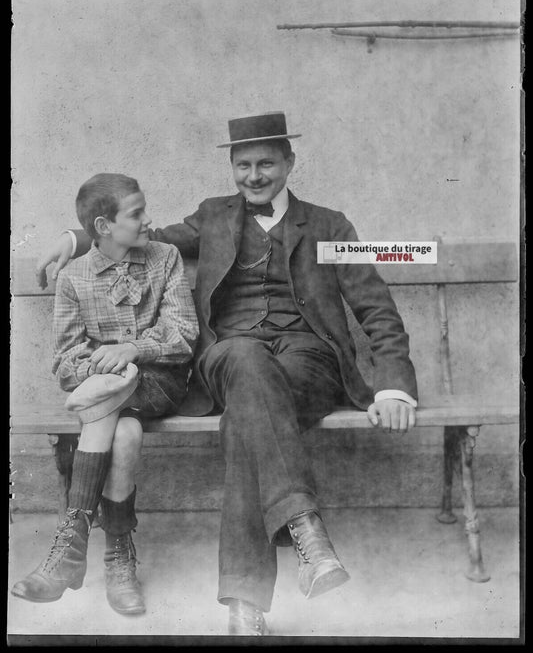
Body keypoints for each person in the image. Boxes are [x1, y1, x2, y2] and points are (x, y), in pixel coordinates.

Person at [35, 113, 418, 636]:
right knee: (244, 358)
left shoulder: (331, 226)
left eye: (266, 163)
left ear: (289, 162)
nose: (254, 176)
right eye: (243, 165)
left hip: (306, 361)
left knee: (248, 417)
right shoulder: (213, 217)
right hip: (228, 357)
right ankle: (304, 530)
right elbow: (138, 234)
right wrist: (73, 238)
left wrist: (394, 385)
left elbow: (376, 306)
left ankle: (246, 605)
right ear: (231, 167)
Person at [13, 173, 199, 616]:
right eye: (136, 214)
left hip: (160, 381)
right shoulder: (74, 277)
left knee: (100, 403)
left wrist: (133, 350)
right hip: (109, 395)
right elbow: (65, 358)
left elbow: (183, 333)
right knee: (125, 435)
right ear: (103, 226)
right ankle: (119, 557)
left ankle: (69, 544)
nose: (148, 219)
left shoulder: (165, 257)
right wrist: (99, 364)